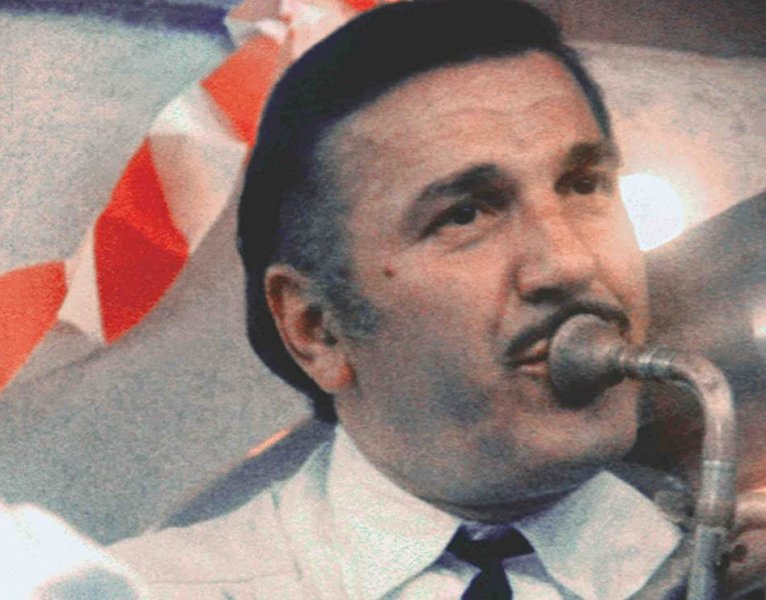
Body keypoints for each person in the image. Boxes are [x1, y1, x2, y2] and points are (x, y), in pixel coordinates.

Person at [110, 1, 688, 597]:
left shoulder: (732, 566)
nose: (570, 262)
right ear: (317, 329)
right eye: (464, 215)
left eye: (585, 185)